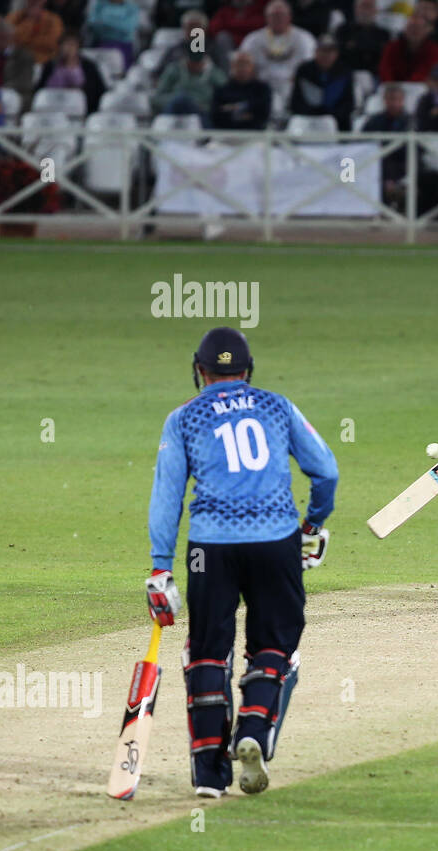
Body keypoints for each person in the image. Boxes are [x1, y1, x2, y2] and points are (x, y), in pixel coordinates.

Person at [146, 327, 337, 797]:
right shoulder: (276, 405)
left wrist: (159, 566)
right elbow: (326, 471)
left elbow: (166, 499)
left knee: (208, 651)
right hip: (276, 541)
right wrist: (310, 525)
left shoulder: (184, 418)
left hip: (210, 548)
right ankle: (253, 727)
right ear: (248, 371)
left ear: (200, 370)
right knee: (274, 642)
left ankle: (210, 774)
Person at [240, 0, 317, 104]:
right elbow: (242, 64)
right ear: (266, 17)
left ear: (289, 16)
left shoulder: (305, 38)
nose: (278, 18)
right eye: (273, 15)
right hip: (262, 86)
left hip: (293, 86)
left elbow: (310, 66)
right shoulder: (253, 39)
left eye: (281, 14)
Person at [290, 34, 354, 129]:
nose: (326, 55)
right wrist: (315, 115)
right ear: (315, 52)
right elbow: (296, 101)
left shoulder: (344, 72)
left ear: (336, 54)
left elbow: (348, 103)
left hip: (337, 122)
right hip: (308, 119)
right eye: (323, 50)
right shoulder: (304, 70)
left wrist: (329, 116)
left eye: (330, 51)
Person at [35, 34, 106, 114]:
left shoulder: (89, 66)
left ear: (78, 47)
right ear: (60, 47)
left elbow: (99, 90)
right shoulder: (50, 66)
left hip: (82, 108)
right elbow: (40, 90)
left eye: (72, 45)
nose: (68, 48)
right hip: (52, 106)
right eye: (65, 45)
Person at [153, 48, 227, 121]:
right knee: (181, 100)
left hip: (201, 113)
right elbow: (157, 98)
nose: (195, 65)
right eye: (192, 61)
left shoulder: (214, 74)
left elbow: (225, 95)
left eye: (198, 61)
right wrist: (178, 100)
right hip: (174, 110)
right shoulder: (174, 70)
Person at [212, 50, 272, 128]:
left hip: (256, 135)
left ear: (252, 67)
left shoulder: (263, 89)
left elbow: (263, 114)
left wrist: (232, 109)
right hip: (226, 135)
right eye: (239, 63)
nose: (242, 67)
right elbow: (216, 116)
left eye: (246, 64)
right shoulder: (222, 90)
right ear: (232, 66)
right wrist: (248, 110)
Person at [379, 12, 438, 82]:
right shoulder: (392, 47)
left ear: (426, 30)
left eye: (418, 28)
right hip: (393, 86)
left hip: (419, 85)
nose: (414, 31)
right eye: (411, 27)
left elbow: (427, 71)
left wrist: (410, 84)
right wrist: (391, 83)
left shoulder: (434, 50)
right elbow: (385, 68)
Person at [336, 0, 389, 74]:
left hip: (375, 74)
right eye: (363, 6)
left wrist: (355, 46)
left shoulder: (384, 34)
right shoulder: (343, 30)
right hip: (348, 74)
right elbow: (340, 55)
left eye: (369, 7)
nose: (366, 11)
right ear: (356, 9)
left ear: (376, 10)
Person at [85, 0, 140, 67]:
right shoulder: (100, 3)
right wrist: (119, 23)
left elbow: (129, 27)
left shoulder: (132, 7)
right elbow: (92, 22)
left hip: (123, 44)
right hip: (100, 42)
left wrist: (104, 21)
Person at [6, 0, 64, 65]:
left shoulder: (54, 20)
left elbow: (51, 43)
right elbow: (7, 37)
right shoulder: (14, 16)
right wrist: (29, 20)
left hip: (41, 63)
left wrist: (24, 41)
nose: (35, 1)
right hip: (13, 59)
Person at [0, 19, 38, 109]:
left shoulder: (24, 56)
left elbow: (24, 82)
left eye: (2, 37)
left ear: (10, 38)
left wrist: (1, 91)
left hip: (16, 94)